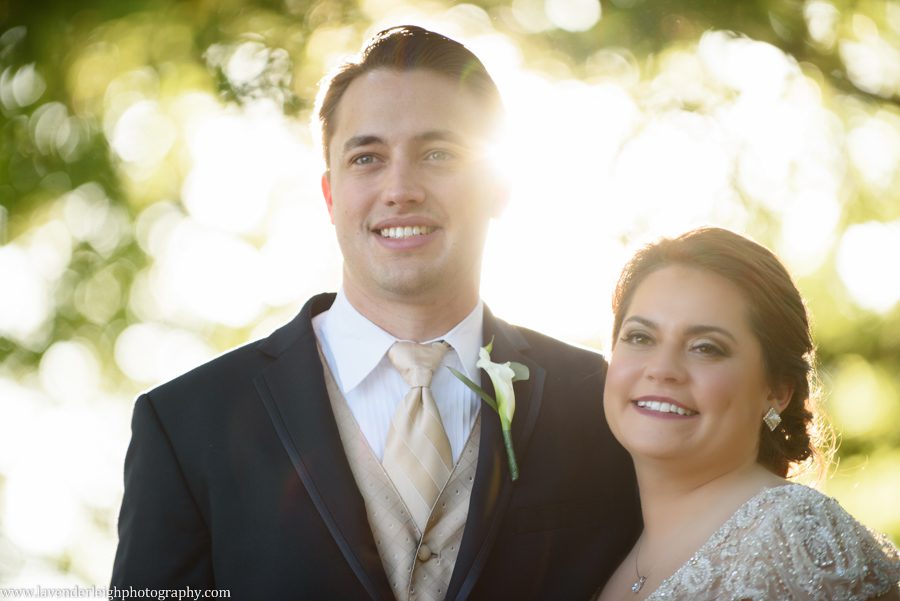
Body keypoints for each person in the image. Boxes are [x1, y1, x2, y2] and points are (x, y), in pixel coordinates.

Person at [111, 25, 641, 599]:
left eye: (437, 154)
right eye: (367, 158)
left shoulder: (601, 403)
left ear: (498, 185)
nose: (400, 188)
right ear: (330, 195)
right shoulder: (187, 425)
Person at [594, 227, 900, 600]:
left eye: (706, 347)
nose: (662, 369)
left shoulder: (792, 534)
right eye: (640, 337)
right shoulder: (602, 547)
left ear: (777, 391)